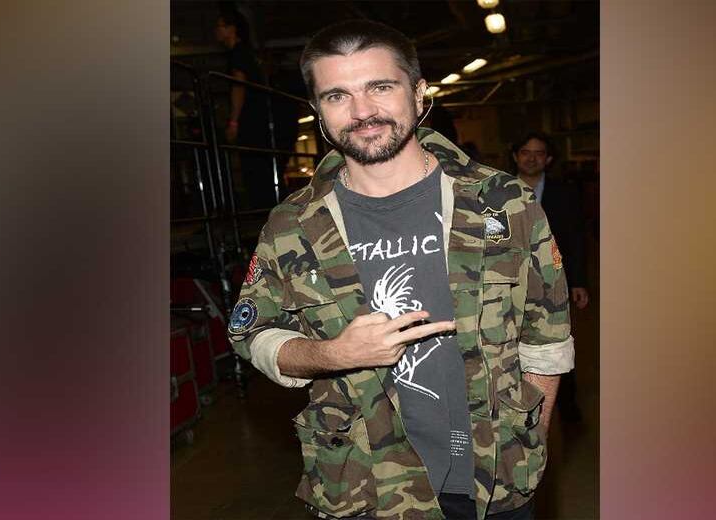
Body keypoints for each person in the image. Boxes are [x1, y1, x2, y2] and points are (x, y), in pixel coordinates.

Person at [228, 20, 574, 520]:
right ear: (318, 111)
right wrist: (332, 353)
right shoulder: (292, 223)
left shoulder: (503, 203)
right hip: (365, 487)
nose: (362, 111)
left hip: (497, 477)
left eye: (380, 87)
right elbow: (252, 333)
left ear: (418, 91)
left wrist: (531, 440)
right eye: (337, 96)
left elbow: (547, 337)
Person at [512, 132, 588, 422]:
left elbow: (576, 238)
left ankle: (566, 408)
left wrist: (579, 281)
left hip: (553, 282)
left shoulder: (564, 192)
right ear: (515, 156)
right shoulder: (499, 190)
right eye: (525, 152)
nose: (531, 158)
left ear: (549, 159)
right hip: (512, 283)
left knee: (556, 344)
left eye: (539, 153)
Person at [215, 10, 276, 209]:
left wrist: (233, 121)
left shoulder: (238, 54)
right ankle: (264, 208)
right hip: (257, 117)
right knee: (259, 164)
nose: (216, 30)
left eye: (220, 26)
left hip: (250, 119)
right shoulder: (245, 53)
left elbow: (238, 86)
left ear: (232, 29)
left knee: (253, 165)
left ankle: (261, 210)